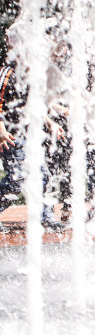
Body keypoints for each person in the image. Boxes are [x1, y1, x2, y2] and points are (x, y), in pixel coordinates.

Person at [0, 63, 66, 233]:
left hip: (32, 135)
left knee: (44, 175)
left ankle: (46, 217)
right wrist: (1, 130)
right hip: (11, 135)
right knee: (17, 177)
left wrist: (50, 124)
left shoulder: (33, 73)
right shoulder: (7, 73)